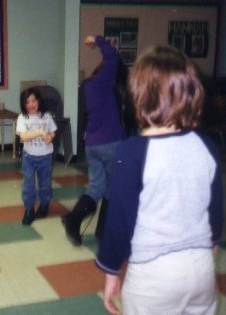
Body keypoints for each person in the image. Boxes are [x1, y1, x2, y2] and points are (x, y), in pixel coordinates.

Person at [96, 46, 224, 315]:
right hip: (201, 268)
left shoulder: (132, 151)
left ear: (139, 95)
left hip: (153, 276)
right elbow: (215, 212)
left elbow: (119, 219)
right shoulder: (207, 146)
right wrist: (208, 254)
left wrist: (110, 272)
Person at [62, 35, 126, 245]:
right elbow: (112, 57)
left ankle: (74, 219)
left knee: (98, 186)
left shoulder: (88, 86)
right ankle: (103, 230)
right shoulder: (104, 82)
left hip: (93, 144)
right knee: (116, 187)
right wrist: (98, 40)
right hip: (111, 143)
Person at [16, 87, 57, 225]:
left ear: (39, 101)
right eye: (27, 102)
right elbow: (23, 136)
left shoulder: (46, 116)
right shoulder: (22, 118)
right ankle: (29, 210)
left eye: (33, 101)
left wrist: (50, 137)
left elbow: (53, 132)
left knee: (44, 184)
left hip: (45, 157)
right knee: (28, 185)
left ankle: (44, 205)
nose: (30, 105)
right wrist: (39, 132)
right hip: (29, 157)